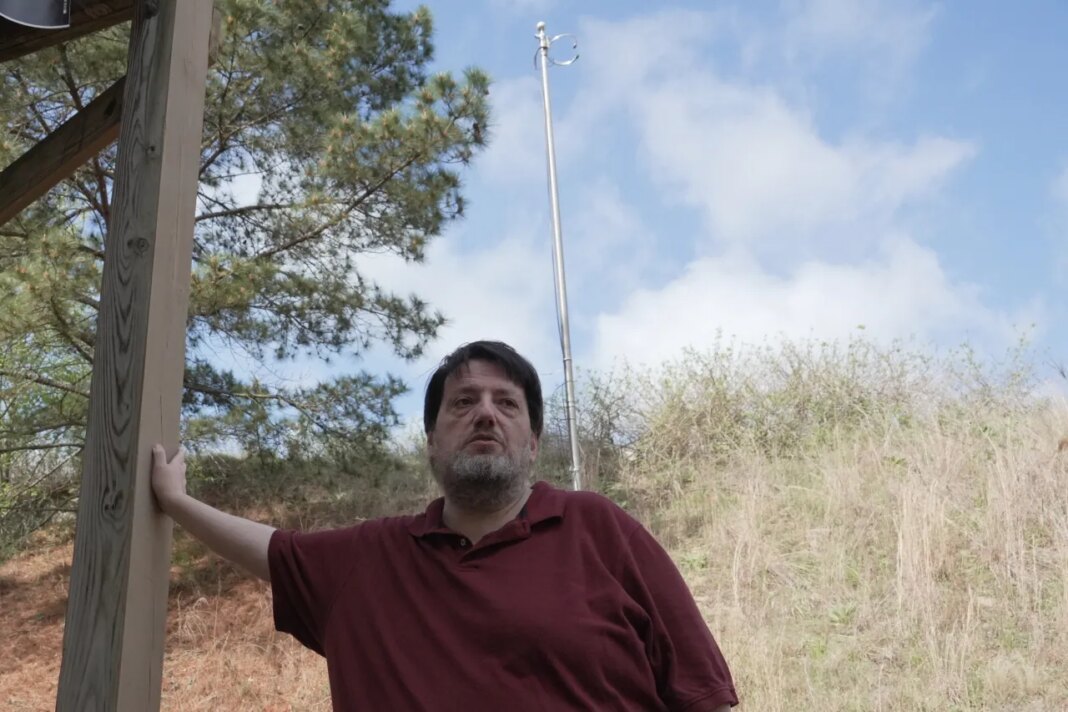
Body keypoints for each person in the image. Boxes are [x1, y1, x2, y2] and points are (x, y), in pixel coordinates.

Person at [152, 340, 737, 711]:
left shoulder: (600, 529)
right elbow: (274, 550)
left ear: (533, 444)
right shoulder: (370, 558)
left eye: (506, 403)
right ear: (432, 442)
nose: (485, 413)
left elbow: (701, 694)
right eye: (463, 402)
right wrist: (177, 503)